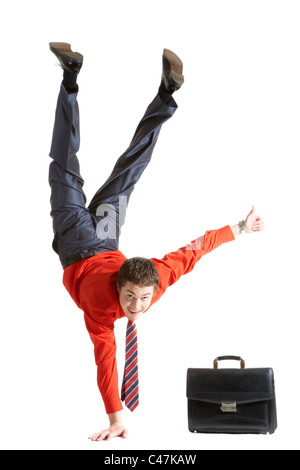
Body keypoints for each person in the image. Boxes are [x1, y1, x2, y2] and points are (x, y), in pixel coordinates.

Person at [48, 42, 264, 442]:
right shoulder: (103, 301)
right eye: (131, 297)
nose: (137, 306)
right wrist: (116, 419)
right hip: (82, 238)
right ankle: (72, 78)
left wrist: (240, 227)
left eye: (143, 298)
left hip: (103, 237)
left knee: (130, 165)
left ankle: (167, 93)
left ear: (152, 288)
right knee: (65, 168)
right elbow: (107, 360)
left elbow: (193, 250)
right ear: (119, 285)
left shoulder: (154, 280)